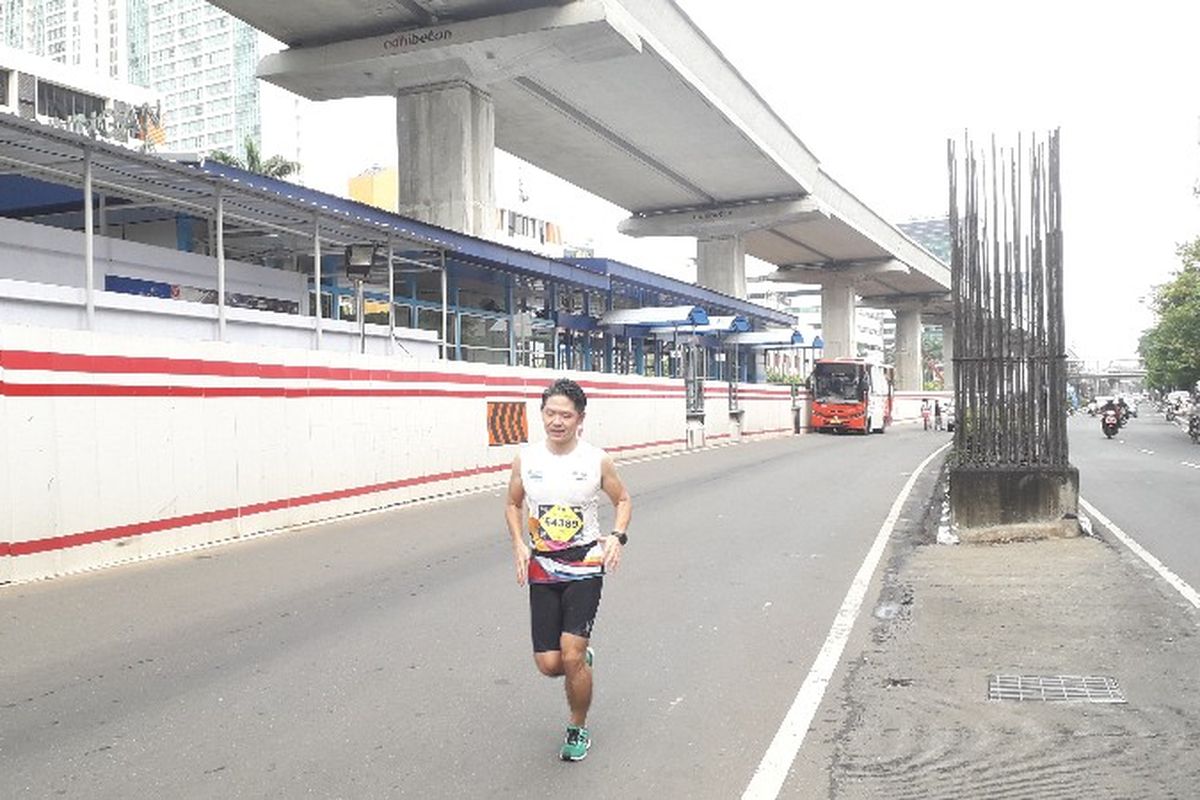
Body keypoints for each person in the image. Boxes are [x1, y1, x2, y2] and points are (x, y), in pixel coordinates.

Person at [504, 378, 632, 762]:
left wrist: (617, 536)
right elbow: (513, 504)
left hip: (585, 564)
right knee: (550, 664)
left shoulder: (596, 460)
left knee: (571, 655)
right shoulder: (526, 459)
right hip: (542, 564)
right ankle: (580, 663)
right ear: (542, 414)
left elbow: (623, 499)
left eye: (565, 415)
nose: (557, 421)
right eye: (550, 413)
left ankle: (577, 726)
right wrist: (517, 543)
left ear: (580, 419)